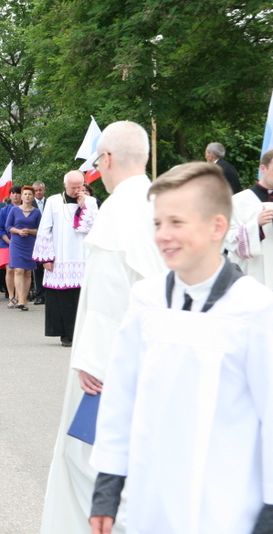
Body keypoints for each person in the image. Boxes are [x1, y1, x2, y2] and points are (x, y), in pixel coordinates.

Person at [90, 162, 273, 534]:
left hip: (227, 509)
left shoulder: (253, 309)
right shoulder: (146, 300)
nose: (162, 235)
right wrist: (107, 489)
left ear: (217, 227)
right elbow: (121, 398)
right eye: (158, 223)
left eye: (177, 222)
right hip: (152, 503)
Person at [41, 121, 165, 534]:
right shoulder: (158, 201)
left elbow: (111, 296)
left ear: (106, 159)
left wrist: (95, 362)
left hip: (111, 364)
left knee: (90, 461)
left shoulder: (117, 209)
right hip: (153, 352)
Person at [32, 171, 99, 346]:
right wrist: (46, 258)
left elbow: (94, 228)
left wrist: (83, 207)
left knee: (82, 296)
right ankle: (65, 334)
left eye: (80, 187)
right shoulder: (54, 201)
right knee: (62, 297)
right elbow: (45, 229)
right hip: (61, 255)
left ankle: (83, 334)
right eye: (73, 187)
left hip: (83, 256)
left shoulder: (91, 202)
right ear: (65, 185)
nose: (77, 190)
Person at [225, 148, 273, 288]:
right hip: (251, 274)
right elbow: (228, 239)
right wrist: (256, 225)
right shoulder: (238, 201)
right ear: (263, 168)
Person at [5, 186, 42, 310]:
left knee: (27, 272)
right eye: (25, 194)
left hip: (30, 243)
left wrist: (30, 231)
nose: (27, 196)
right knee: (18, 270)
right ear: (21, 196)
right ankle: (20, 299)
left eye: (30, 194)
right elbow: (8, 226)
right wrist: (18, 231)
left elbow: (40, 230)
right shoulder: (14, 210)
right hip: (16, 243)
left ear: (33, 197)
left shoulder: (36, 212)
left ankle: (24, 300)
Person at [0, 185, 22, 306]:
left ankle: (19, 296)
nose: (15, 195)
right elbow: (0, 229)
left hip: (22, 243)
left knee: (20, 270)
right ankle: (11, 297)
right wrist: (10, 242)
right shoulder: (4, 210)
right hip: (7, 243)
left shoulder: (26, 209)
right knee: (10, 270)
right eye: (13, 193)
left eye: (17, 193)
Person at [32, 181, 48, 304]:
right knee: (37, 268)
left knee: (48, 267)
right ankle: (39, 295)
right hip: (34, 240)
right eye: (36, 190)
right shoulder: (29, 204)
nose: (38, 192)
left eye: (40, 190)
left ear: (44, 191)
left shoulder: (50, 203)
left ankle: (49, 294)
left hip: (49, 240)